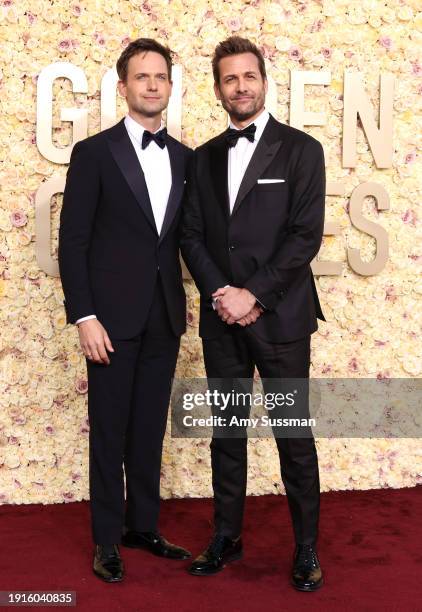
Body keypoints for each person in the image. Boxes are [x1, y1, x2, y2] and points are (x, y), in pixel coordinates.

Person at [181, 36, 326, 591]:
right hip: (223, 318)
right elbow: (191, 235)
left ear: (263, 81)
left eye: (248, 76)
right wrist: (222, 291)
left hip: (282, 318)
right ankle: (227, 536)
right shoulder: (204, 157)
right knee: (227, 433)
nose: (240, 87)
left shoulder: (301, 150)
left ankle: (307, 548)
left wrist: (253, 295)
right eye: (229, 79)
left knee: (293, 434)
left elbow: (303, 237)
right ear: (218, 89)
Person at [59, 38, 192, 583]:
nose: (153, 85)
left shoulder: (185, 157)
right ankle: (107, 539)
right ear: (123, 88)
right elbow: (74, 242)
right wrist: (84, 316)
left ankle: (143, 525)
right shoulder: (94, 153)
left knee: (147, 431)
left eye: (160, 76)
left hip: (164, 315)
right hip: (109, 322)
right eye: (142, 77)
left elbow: (188, 240)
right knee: (109, 431)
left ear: (169, 85)